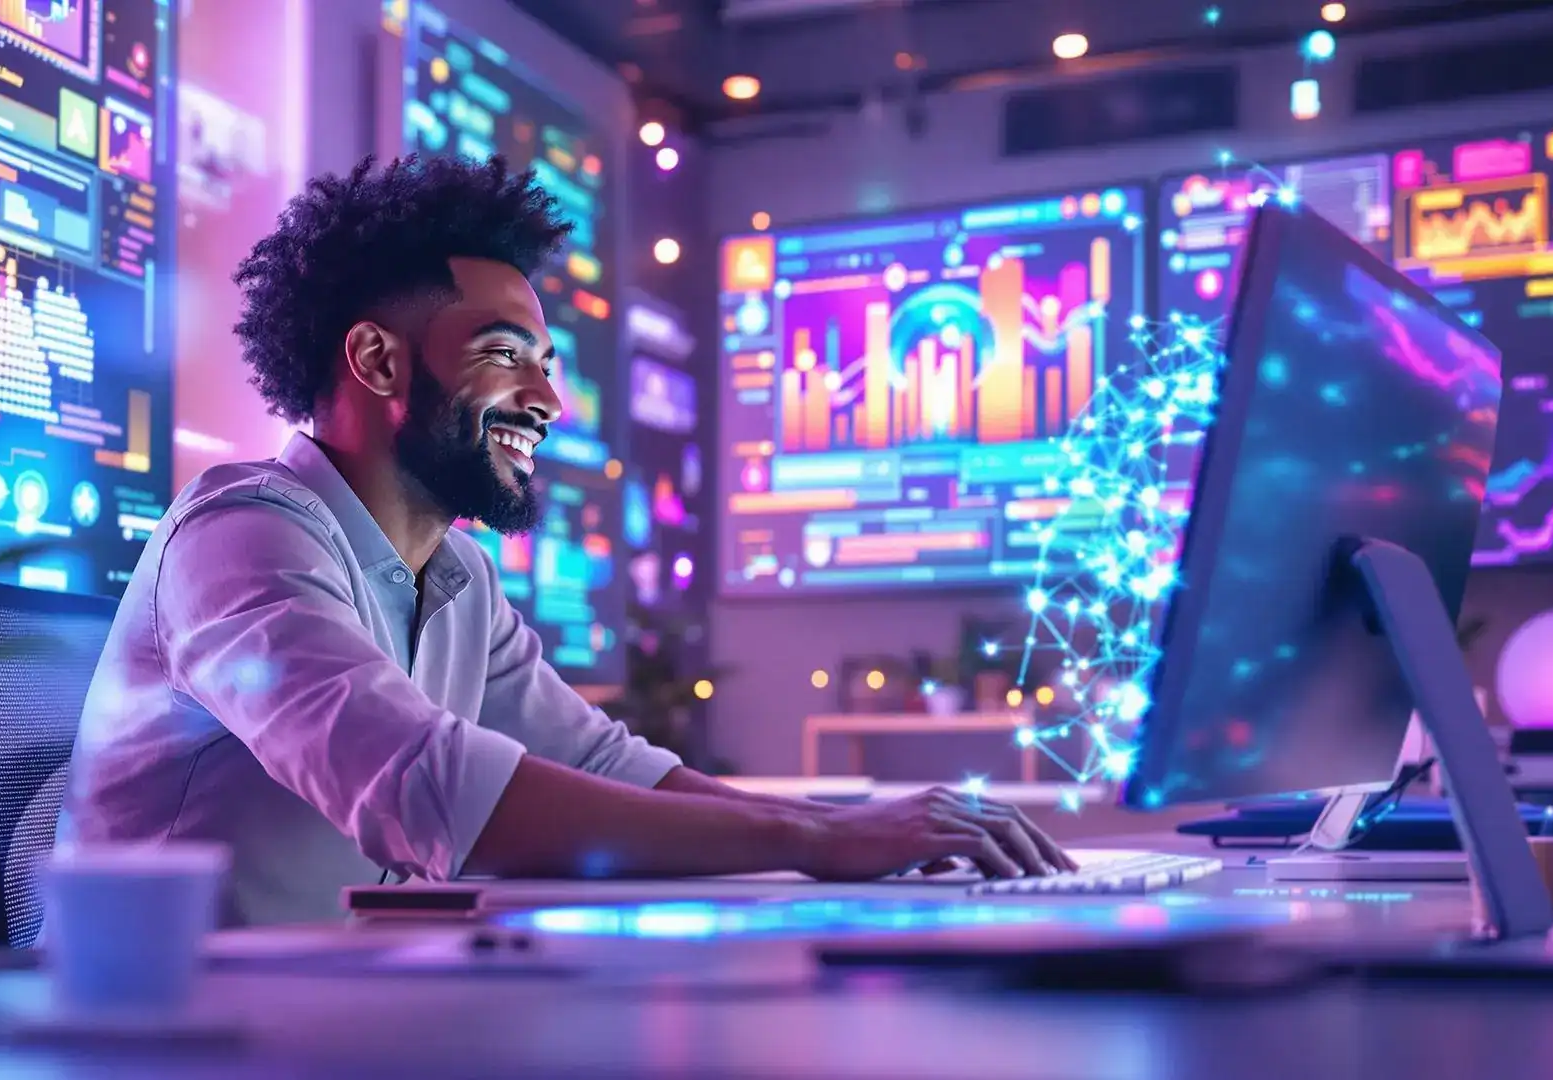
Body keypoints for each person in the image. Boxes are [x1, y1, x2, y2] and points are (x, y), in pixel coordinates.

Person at [61, 154, 1075, 927]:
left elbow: (604, 764)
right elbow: (429, 787)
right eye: (507, 355)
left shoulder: (455, 576)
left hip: (342, 1016)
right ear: (374, 359)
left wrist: (845, 839)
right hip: (166, 1035)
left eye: (546, 362)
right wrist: (812, 836)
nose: (547, 398)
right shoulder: (241, 534)